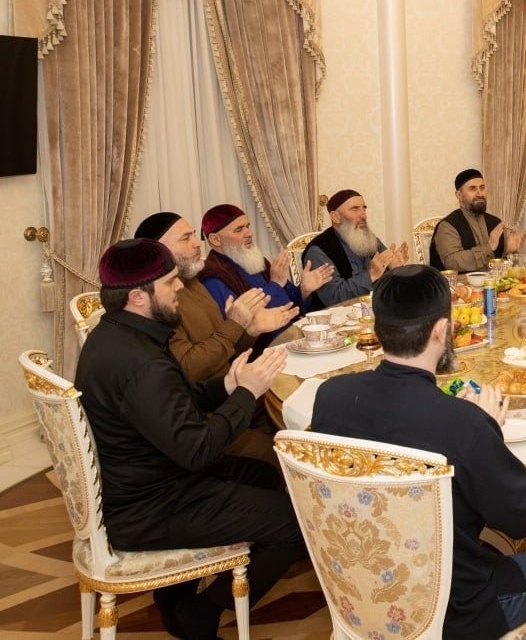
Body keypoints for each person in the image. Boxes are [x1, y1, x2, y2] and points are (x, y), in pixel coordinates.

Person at [311, 265, 526, 639]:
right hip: (455, 608)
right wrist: (488, 430)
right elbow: (521, 520)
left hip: (359, 591)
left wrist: (472, 425)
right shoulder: (463, 424)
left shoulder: (331, 396)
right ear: (441, 331)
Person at [74, 239, 306, 640]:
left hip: (145, 475)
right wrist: (246, 393)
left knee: (266, 476)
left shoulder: (115, 335)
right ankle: (199, 613)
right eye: (169, 282)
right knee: (299, 523)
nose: (180, 286)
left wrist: (227, 384)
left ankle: (174, 595)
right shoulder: (142, 363)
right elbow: (198, 450)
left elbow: (174, 400)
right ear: (137, 296)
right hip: (151, 505)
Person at [134, 211, 296, 465]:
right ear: (158, 251)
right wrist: (237, 323)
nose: (197, 244)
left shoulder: (192, 282)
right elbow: (190, 369)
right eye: (185, 238)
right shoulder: (160, 303)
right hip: (211, 415)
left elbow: (224, 347)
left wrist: (251, 330)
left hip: (234, 392)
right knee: (285, 453)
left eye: (193, 236)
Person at [199, 203, 333, 349]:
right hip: (261, 351)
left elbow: (289, 302)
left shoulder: (253, 259)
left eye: (248, 226)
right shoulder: (213, 277)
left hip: (289, 337)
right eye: (238, 230)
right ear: (215, 239)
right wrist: (275, 284)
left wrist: (304, 289)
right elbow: (245, 323)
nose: (249, 233)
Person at [302, 189, 409, 306]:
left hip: (373, 308)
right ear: (335, 217)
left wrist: (394, 269)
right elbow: (334, 297)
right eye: (355, 209)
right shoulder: (318, 250)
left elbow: (386, 283)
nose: (363, 215)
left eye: (364, 209)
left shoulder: (370, 239)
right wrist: (371, 275)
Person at [430, 169, 526, 272]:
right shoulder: (448, 226)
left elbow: (495, 267)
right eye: (472, 189)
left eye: (482, 188)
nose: (480, 193)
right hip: (460, 282)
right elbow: (452, 263)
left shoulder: (495, 222)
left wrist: (508, 251)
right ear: (459, 195)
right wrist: (488, 247)